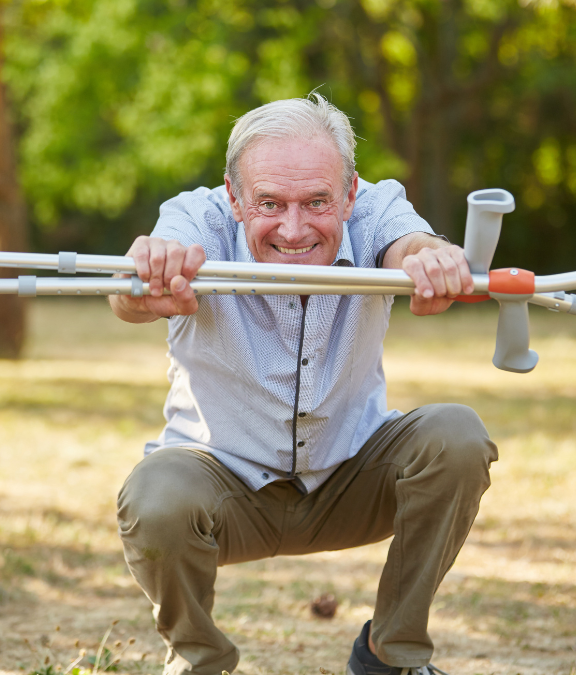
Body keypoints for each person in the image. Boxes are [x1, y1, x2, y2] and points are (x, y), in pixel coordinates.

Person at [110, 94, 498, 675]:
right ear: (235, 198)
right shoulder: (198, 217)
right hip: (223, 491)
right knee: (154, 495)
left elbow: (410, 244)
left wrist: (430, 258)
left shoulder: (377, 207)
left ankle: (390, 657)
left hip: (350, 480)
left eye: (317, 202)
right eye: (270, 203)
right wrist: (144, 282)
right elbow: (128, 292)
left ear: (349, 194)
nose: (294, 229)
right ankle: (198, 660)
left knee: (458, 436)